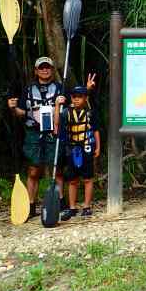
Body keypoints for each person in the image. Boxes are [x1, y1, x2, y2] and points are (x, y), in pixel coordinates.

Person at [7, 56, 65, 219]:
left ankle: (60, 203)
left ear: (52, 70)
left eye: (47, 67)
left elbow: (69, 109)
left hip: (53, 132)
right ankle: (30, 206)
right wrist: (13, 108)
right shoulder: (28, 90)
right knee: (34, 170)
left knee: (57, 169)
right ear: (36, 71)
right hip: (34, 132)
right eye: (41, 67)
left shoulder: (60, 88)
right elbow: (21, 112)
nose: (45, 70)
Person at [56, 86, 101, 220]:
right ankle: (72, 208)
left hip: (87, 147)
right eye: (74, 97)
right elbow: (57, 125)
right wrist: (57, 106)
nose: (76, 99)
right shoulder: (66, 112)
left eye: (80, 97)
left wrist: (98, 147)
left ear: (85, 98)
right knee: (72, 179)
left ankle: (86, 207)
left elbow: (95, 130)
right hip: (72, 148)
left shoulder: (90, 113)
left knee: (87, 178)